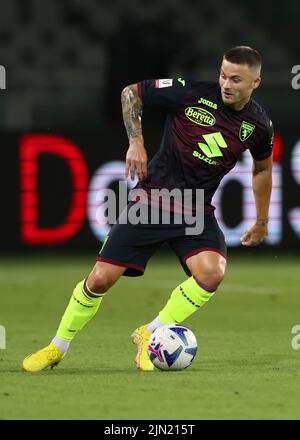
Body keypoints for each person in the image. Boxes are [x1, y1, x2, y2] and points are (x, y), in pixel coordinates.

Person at [22, 46, 273, 372]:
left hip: (196, 212)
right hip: (151, 203)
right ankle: (57, 347)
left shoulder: (259, 124)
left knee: (212, 272)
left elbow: (262, 169)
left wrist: (263, 219)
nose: (226, 83)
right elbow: (131, 93)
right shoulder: (190, 92)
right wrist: (135, 141)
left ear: (255, 82)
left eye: (235, 79)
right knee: (99, 280)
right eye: (223, 74)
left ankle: (149, 332)